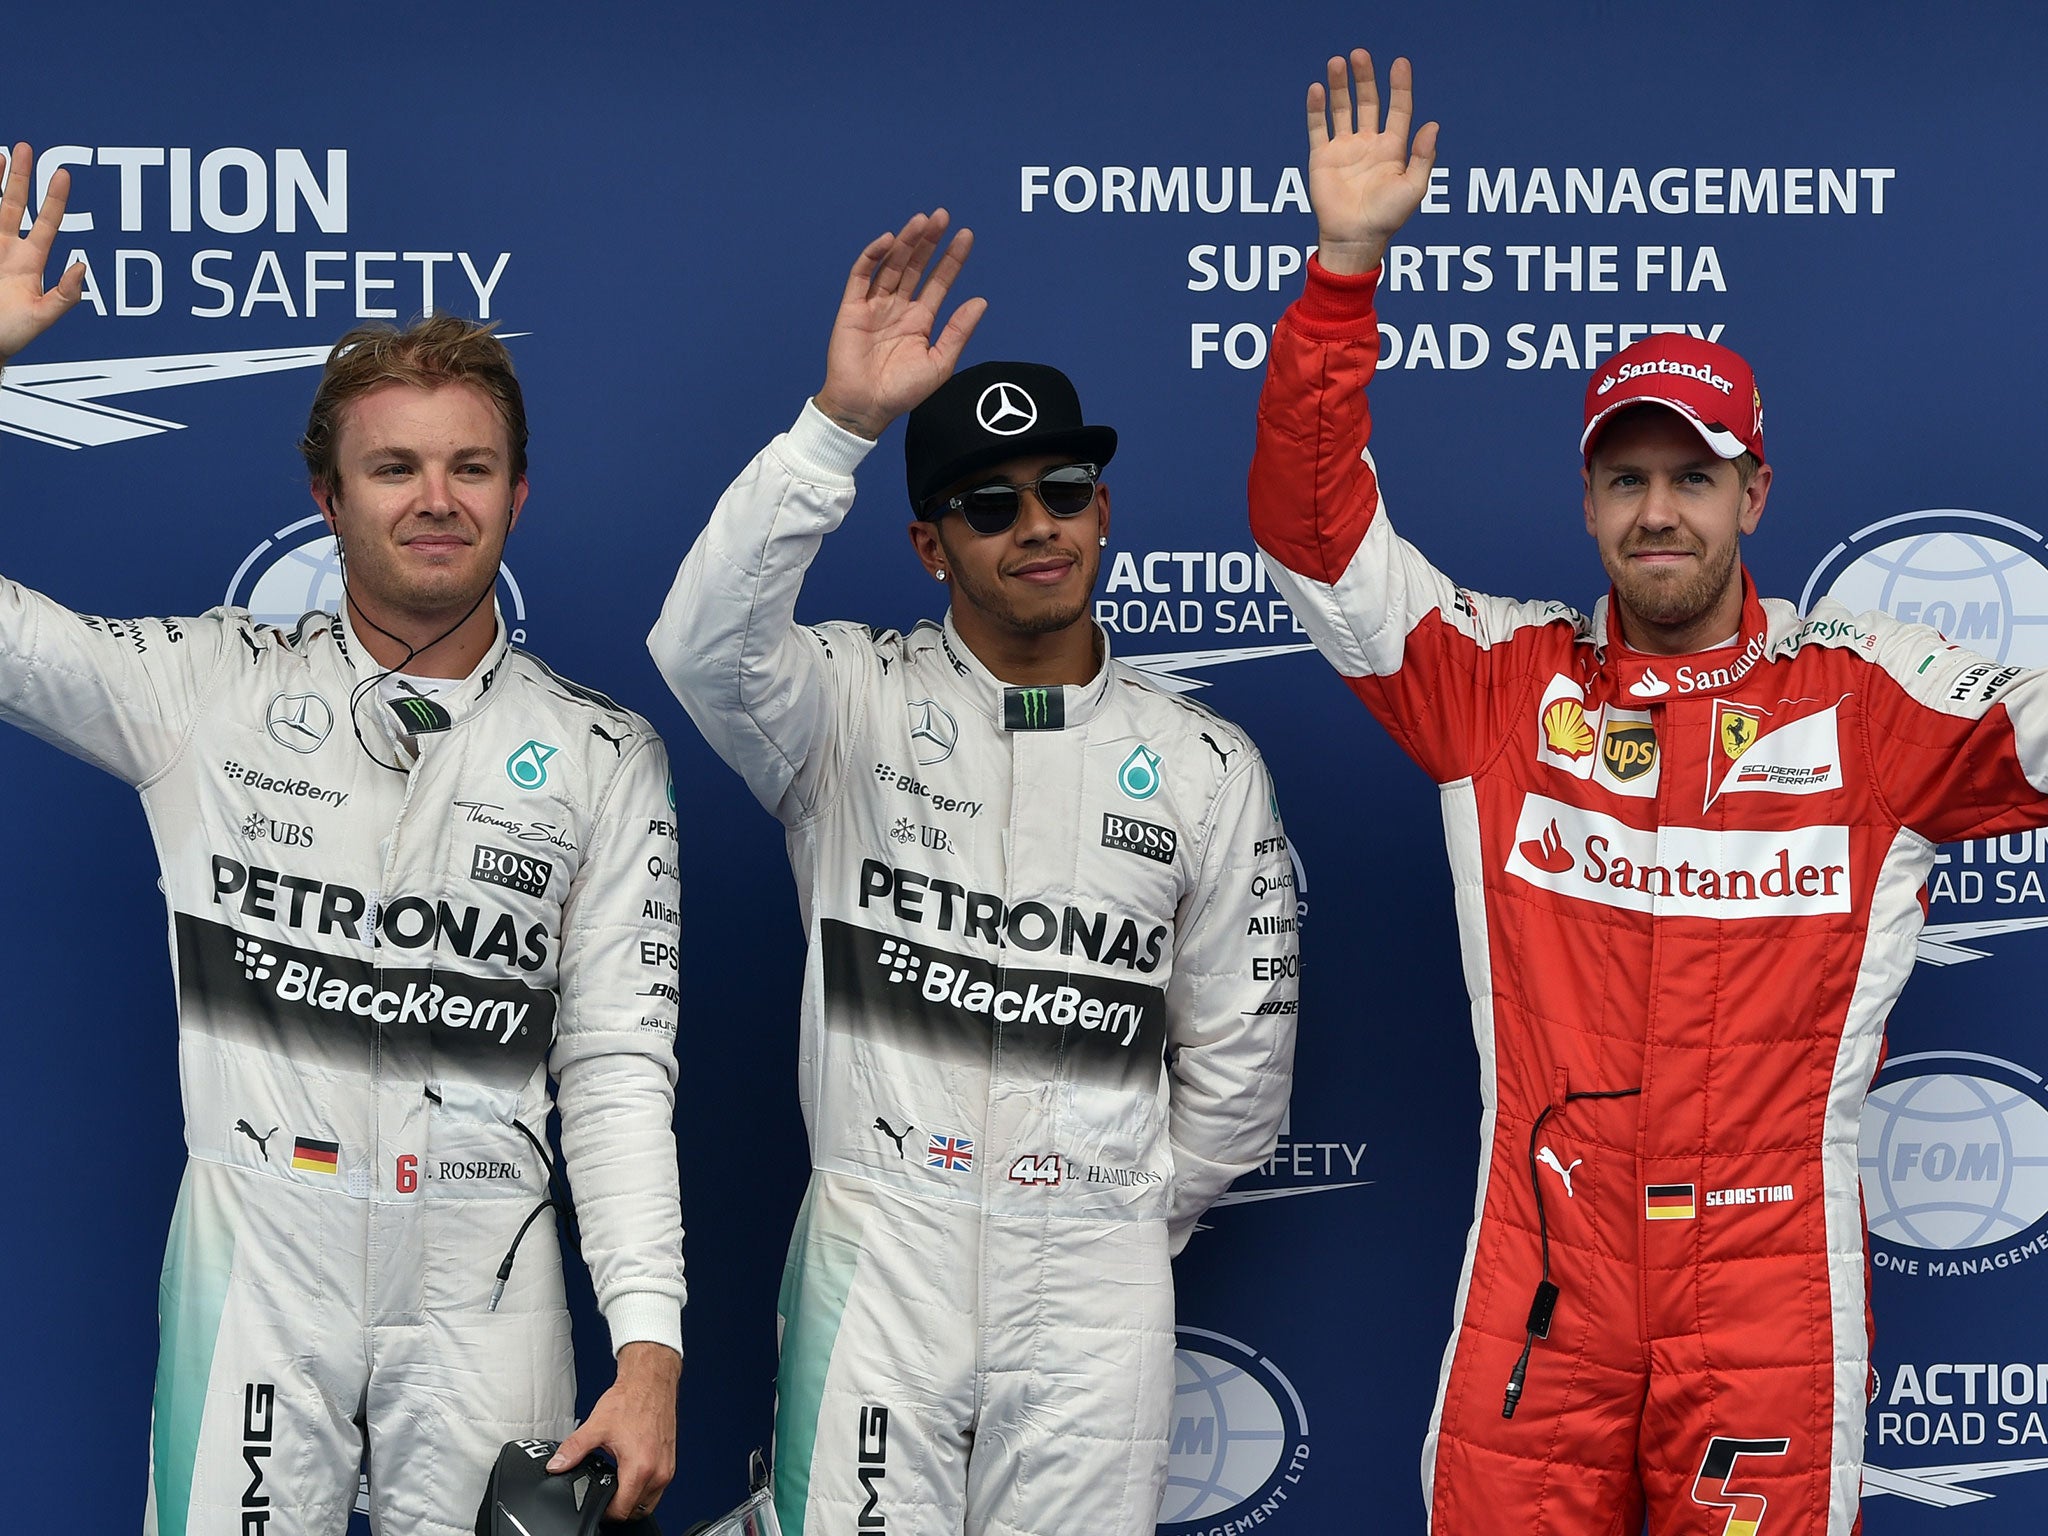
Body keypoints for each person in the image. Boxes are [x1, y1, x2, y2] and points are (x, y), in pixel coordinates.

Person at [1247, 52, 2048, 1536]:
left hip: (1768, 1289)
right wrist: (1342, 275)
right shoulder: (1497, 684)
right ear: (1589, 501)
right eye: (1627, 478)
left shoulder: (1876, 701)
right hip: (1545, 1279)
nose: (1660, 510)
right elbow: (1310, 540)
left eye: (1696, 474)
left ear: (1756, 492)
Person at [0, 145, 686, 1534]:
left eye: (470, 466)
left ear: (518, 494)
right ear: (329, 498)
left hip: (490, 1296)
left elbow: (616, 1068)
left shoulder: (609, 755)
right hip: (259, 1283)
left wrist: (652, 1346)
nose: (436, 497)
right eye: (395, 467)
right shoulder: (202, 691)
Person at [649, 210, 1298, 1536]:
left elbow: (1239, 1083)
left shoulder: (1205, 765)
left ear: (1104, 511)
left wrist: (1105, 1210)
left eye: (1064, 492)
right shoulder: (844, 704)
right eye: (990, 505)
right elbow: (699, 645)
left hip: (1099, 1290)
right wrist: (838, 423)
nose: (1036, 526)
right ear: (930, 545)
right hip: (878, 1259)